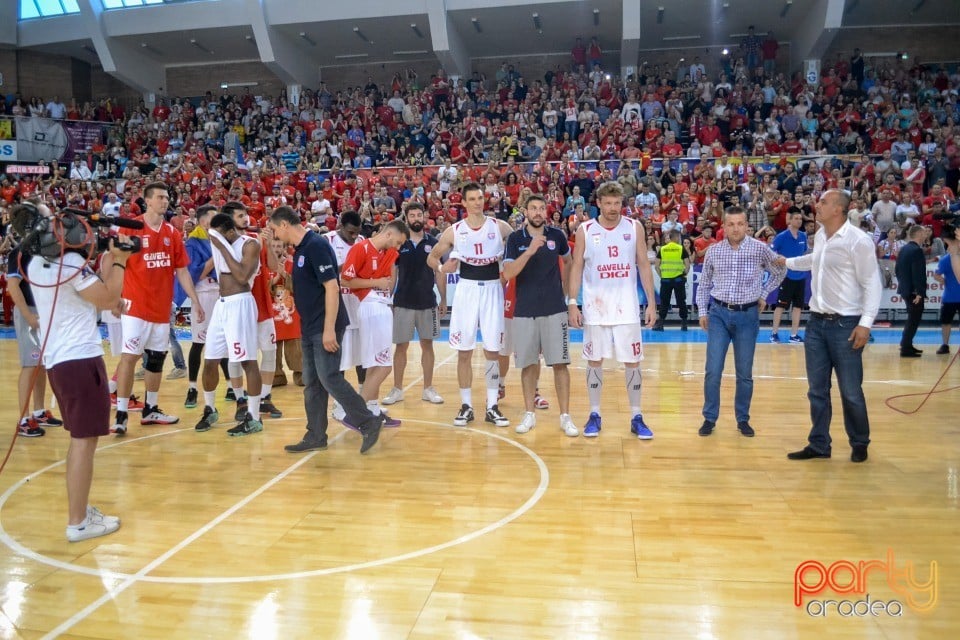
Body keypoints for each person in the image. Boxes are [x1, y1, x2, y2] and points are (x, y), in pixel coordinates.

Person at [22, 203, 133, 541]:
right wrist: (120, 261)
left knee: (79, 440)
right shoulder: (69, 264)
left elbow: (95, 299)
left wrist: (106, 274)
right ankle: (78, 523)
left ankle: (80, 512)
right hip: (80, 360)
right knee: (85, 442)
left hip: (59, 360)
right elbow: (108, 296)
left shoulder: (38, 264)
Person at [265, 206, 383, 454]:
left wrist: (329, 329)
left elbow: (332, 287)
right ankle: (315, 434)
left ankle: (368, 420)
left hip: (323, 326)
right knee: (313, 383)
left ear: (285, 224)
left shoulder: (315, 245)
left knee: (329, 377)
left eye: (275, 229)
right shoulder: (300, 250)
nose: (275, 235)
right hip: (309, 327)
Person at [780, 190, 882, 463]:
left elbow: (872, 283)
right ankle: (819, 444)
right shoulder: (823, 236)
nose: (818, 205)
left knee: (850, 390)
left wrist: (865, 324)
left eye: (823, 202)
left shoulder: (858, 241)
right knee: (816, 390)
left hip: (845, 324)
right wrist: (786, 262)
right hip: (816, 323)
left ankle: (860, 442)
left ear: (839, 209)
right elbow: (814, 260)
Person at [566, 181, 658, 439]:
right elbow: (575, 268)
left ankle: (636, 416)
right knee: (595, 360)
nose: (613, 208)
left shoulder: (634, 227)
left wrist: (651, 302)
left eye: (617, 203)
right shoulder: (585, 230)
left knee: (633, 361)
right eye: (607, 203)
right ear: (598, 204)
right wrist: (572, 303)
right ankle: (594, 413)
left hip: (627, 308)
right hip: (596, 308)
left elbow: (642, 264)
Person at [112, 182, 204, 436]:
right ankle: (120, 414)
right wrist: (114, 297)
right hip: (135, 306)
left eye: (167, 197)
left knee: (155, 360)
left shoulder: (172, 233)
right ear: (148, 201)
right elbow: (117, 262)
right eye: (161, 197)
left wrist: (195, 301)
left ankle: (150, 409)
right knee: (129, 357)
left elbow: (182, 270)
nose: (166, 201)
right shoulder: (130, 228)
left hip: (161, 309)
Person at [427, 182, 514, 428]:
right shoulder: (454, 231)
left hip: (493, 290)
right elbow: (431, 257)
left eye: (480, 198)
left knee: (493, 352)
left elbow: (519, 243)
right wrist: (443, 268)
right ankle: (466, 405)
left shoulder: (500, 227)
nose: (478, 202)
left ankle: (492, 405)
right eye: (472, 199)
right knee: (464, 351)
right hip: (465, 290)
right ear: (463, 203)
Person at [696, 206, 786, 437]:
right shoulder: (714, 251)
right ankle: (709, 417)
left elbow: (779, 270)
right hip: (718, 314)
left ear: (747, 225)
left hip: (748, 316)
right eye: (731, 224)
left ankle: (743, 419)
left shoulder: (760, 249)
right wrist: (702, 312)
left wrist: (764, 293)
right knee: (713, 370)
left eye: (740, 224)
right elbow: (704, 283)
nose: (736, 228)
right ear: (724, 226)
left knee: (744, 373)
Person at [502, 195, 578, 436]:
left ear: (546, 211)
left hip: (554, 309)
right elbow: (508, 273)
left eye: (541, 208)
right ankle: (529, 414)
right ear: (526, 211)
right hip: (524, 311)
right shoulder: (515, 239)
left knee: (560, 364)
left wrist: (566, 293)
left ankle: (565, 417)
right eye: (533, 208)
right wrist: (530, 251)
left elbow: (569, 262)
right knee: (528, 365)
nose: (537, 212)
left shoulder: (557, 236)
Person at [192, 213, 264, 436]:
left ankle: (254, 416)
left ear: (230, 232)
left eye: (219, 235)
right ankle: (210, 408)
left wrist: (221, 246)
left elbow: (242, 276)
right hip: (221, 305)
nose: (214, 239)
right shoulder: (216, 239)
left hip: (240, 303)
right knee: (210, 359)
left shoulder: (250, 244)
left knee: (247, 361)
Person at [341, 219, 410, 425]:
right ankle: (357, 414)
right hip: (370, 305)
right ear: (389, 234)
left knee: (374, 364)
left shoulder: (389, 253)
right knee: (384, 365)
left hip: (382, 305)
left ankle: (371, 409)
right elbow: (345, 280)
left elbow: (389, 279)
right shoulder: (360, 249)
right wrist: (375, 282)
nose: (398, 247)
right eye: (397, 242)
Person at [381, 203, 447, 406]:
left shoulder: (435, 242)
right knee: (401, 347)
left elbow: (439, 272)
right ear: (406, 218)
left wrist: (443, 298)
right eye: (412, 215)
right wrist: (388, 299)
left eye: (419, 215)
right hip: (403, 302)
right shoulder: (400, 243)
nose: (416, 218)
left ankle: (428, 388)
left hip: (428, 302)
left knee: (428, 345)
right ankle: (397, 389)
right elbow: (393, 273)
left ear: (425, 217)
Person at [6, 237, 63, 437]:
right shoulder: (21, 251)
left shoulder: (45, 249)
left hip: (43, 311)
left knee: (41, 364)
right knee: (30, 365)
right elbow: (12, 286)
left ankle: (39, 412)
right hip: (28, 312)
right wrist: (29, 316)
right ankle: (23, 419)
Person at [180, 205, 221, 409]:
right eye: (214, 217)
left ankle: (232, 386)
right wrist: (216, 257)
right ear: (204, 221)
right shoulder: (192, 243)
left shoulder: (218, 240)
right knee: (199, 343)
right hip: (202, 293)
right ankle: (192, 387)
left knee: (224, 342)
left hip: (220, 293)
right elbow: (197, 274)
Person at [770, 210, 809, 344]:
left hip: (801, 275)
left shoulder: (803, 236)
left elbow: (804, 253)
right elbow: (771, 251)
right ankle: (774, 333)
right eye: (796, 218)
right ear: (790, 221)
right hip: (786, 276)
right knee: (780, 306)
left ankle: (794, 335)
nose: (799, 220)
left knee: (798, 307)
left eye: (800, 218)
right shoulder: (782, 236)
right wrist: (778, 260)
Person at [895, 224, 927, 358]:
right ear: (919, 234)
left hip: (905, 289)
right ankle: (905, 347)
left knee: (912, 319)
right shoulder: (916, 250)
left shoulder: (904, 249)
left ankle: (906, 344)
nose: (926, 235)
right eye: (924, 233)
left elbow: (897, 270)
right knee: (913, 320)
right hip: (913, 292)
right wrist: (919, 292)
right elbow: (918, 273)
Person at [653, 229, 691, 331]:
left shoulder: (662, 249)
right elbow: (687, 265)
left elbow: (656, 266)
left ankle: (660, 324)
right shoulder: (681, 248)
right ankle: (684, 324)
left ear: (669, 237)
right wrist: (684, 275)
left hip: (665, 280)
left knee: (664, 302)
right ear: (677, 237)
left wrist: (662, 275)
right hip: (679, 279)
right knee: (681, 301)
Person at [934, 224, 960, 354]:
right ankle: (945, 345)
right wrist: (945, 281)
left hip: (951, 296)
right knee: (945, 322)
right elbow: (936, 274)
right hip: (950, 297)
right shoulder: (945, 260)